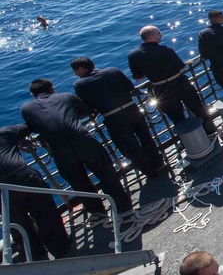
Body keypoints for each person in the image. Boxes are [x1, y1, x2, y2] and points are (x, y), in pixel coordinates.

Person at [20, 79, 132, 223]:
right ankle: (122, 206)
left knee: (79, 182)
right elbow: (84, 111)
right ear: (52, 88)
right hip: (83, 140)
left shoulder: (26, 109)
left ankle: (97, 211)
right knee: (105, 173)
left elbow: (34, 126)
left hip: (60, 150)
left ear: (32, 94)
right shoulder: (66, 96)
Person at [72, 57, 164, 177]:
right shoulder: (112, 70)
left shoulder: (79, 84)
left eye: (75, 71)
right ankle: (158, 162)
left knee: (130, 147)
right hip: (132, 109)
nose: (75, 74)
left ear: (82, 69)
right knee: (146, 138)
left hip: (114, 117)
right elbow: (130, 87)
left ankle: (150, 171)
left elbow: (88, 108)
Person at [128, 25, 217, 136]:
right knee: (198, 109)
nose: (161, 35)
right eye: (158, 34)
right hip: (180, 84)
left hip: (161, 89)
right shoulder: (165, 49)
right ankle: (210, 133)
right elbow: (181, 67)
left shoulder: (133, 56)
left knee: (177, 118)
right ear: (150, 37)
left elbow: (138, 78)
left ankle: (189, 140)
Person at [0, 123, 72, 260]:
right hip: (25, 177)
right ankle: (61, 248)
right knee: (46, 214)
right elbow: (31, 125)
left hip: (3, 191)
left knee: (18, 225)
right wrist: (17, 140)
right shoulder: (5, 132)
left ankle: (35, 256)